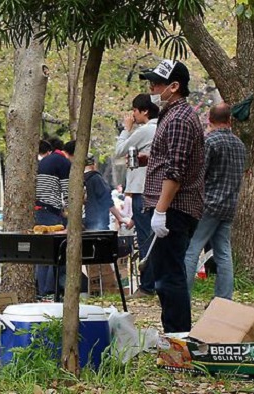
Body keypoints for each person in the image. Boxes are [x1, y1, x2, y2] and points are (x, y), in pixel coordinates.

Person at [139, 59, 204, 333]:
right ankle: (175, 338)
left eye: (157, 83)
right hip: (170, 207)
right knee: (167, 276)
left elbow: (176, 170)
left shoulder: (178, 118)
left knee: (169, 278)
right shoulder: (172, 114)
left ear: (174, 86)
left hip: (174, 209)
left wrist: (161, 211)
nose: (152, 87)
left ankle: (177, 341)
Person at [184, 103, 247, 300]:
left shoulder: (209, 142)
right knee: (223, 254)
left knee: (192, 250)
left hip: (208, 205)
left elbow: (198, 175)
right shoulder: (240, 145)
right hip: (229, 206)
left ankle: (183, 297)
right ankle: (224, 300)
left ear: (209, 120)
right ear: (229, 120)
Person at [116, 93, 159, 298]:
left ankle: (147, 285)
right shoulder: (163, 127)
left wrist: (126, 129)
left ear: (144, 111)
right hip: (159, 190)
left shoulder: (145, 130)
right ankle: (158, 283)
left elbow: (119, 149)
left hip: (143, 190)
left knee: (145, 237)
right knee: (157, 238)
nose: (132, 114)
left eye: (134, 110)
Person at [35, 139, 71, 296]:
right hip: (49, 211)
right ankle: (49, 291)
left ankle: (41, 290)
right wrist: (72, 211)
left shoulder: (46, 160)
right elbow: (68, 190)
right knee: (54, 253)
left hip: (39, 208)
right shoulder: (63, 162)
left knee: (42, 252)